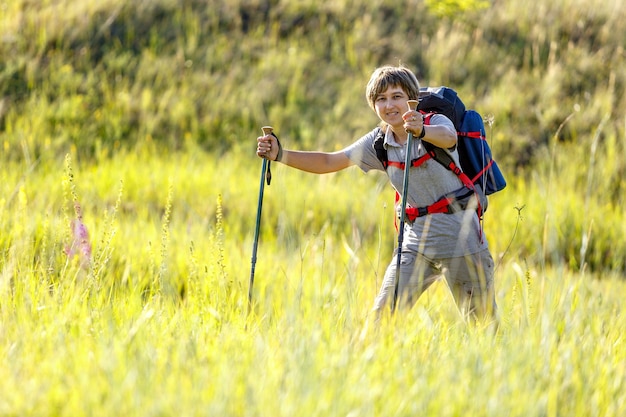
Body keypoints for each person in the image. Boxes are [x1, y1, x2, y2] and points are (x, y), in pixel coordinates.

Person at [256, 65, 497, 324]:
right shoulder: (378, 142)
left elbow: (448, 138)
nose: (389, 105)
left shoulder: (434, 121)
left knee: (483, 327)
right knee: (380, 321)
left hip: (461, 239)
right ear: (374, 106)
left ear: (412, 99)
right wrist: (280, 155)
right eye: (381, 99)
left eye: (397, 96)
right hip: (415, 244)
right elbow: (329, 162)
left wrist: (422, 131)